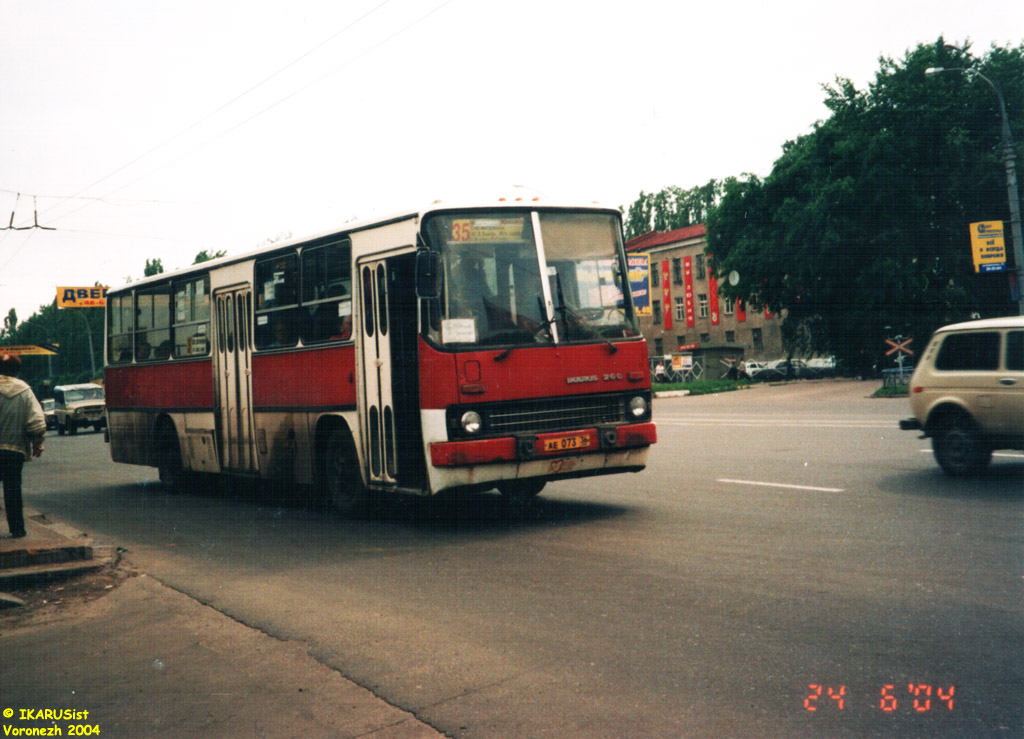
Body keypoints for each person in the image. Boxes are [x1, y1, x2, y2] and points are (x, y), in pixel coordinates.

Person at [0, 353, 46, 538]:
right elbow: (36, 423)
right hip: (14, 451)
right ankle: (17, 529)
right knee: (12, 489)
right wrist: (38, 444)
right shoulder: (24, 390)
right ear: (17, 370)